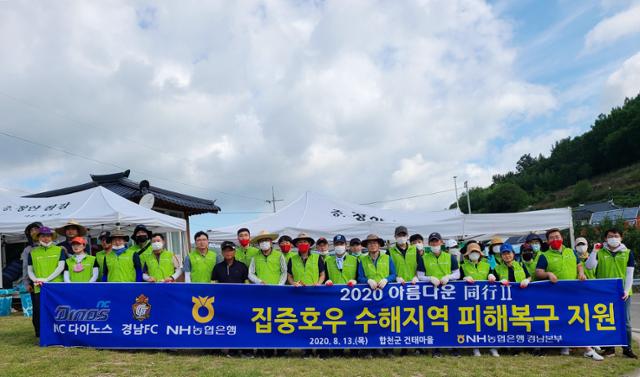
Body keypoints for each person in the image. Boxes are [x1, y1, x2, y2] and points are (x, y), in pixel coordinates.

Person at [535, 228, 590, 358]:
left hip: (572, 292)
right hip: (555, 293)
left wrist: (581, 273)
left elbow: (579, 265)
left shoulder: (570, 252)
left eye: (557, 236)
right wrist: (548, 274)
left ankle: (571, 345)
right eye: (552, 238)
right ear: (548, 241)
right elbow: (538, 272)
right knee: (557, 319)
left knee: (572, 318)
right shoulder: (544, 255)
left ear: (562, 238)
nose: (555, 239)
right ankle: (561, 346)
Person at [585, 228, 637, 359]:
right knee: (606, 319)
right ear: (605, 239)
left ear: (621, 238)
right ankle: (609, 348)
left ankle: (627, 348)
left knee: (625, 322)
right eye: (610, 236)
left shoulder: (627, 253)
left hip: (622, 292)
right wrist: (594, 251)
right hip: (604, 292)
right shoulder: (600, 252)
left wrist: (626, 290)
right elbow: (589, 266)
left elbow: (630, 273)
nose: (613, 238)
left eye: (616, 235)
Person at [416, 232, 460, 357]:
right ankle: (436, 349)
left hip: (448, 294)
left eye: (437, 241)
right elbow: (420, 276)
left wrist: (448, 277)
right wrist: (430, 278)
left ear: (441, 242)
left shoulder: (450, 257)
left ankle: (453, 348)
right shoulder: (423, 258)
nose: (435, 244)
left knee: (451, 320)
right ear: (429, 244)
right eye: (432, 242)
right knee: (434, 321)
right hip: (431, 295)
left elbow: (457, 274)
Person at [357, 234, 397, 357]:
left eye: (375, 243)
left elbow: (393, 274)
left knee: (386, 321)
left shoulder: (387, 258)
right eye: (369, 243)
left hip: (385, 295)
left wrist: (386, 280)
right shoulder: (362, 260)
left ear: (379, 245)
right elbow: (360, 277)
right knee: (370, 322)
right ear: (366, 246)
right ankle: (369, 349)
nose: (372, 245)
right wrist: (367, 281)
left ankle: (387, 349)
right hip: (369, 295)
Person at [460, 240, 499, 357]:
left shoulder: (487, 265)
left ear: (480, 254)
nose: (474, 254)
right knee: (474, 323)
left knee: (490, 322)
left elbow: (493, 277)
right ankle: (475, 348)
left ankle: (493, 347)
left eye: (476, 252)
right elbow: (458, 280)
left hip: (486, 299)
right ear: (467, 254)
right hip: (470, 300)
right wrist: (464, 278)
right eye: (472, 252)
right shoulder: (463, 266)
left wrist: (492, 276)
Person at [27, 226, 65, 337]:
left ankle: (58, 331)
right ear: (38, 237)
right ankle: (39, 333)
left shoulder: (59, 250)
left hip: (56, 286)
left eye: (48, 236)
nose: (46, 238)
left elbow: (61, 267)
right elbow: (30, 270)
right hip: (39, 286)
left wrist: (46, 280)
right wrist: (36, 280)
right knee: (38, 310)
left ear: (52, 237)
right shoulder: (33, 253)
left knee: (57, 310)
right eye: (43, 236)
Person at [21, 222, 42, 293]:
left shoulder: (55, 246)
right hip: (36, 283)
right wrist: (26, 283)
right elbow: (25, 267)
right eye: (31, 231)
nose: (33, 232)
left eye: (36, 229)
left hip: (53, 282)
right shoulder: (28, 249)